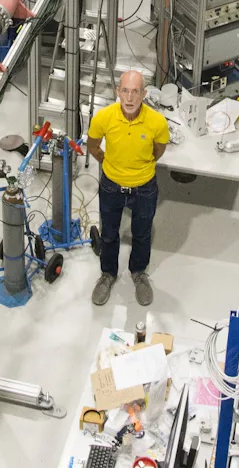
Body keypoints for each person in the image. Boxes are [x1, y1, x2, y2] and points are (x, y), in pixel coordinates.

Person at [86, 70, 169, 306]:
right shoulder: (104, 118)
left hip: (144, 187)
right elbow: (93, 145)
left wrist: (139, 167)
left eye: (135, 92)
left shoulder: (157, 122)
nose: (130, 98)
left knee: (142, 234)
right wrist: (109, 163)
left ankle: (139, 273)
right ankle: (108, 274)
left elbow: (158, 150)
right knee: (109, 233)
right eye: (125, 91)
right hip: (111, 185)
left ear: (144, 94)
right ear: (117, 92)